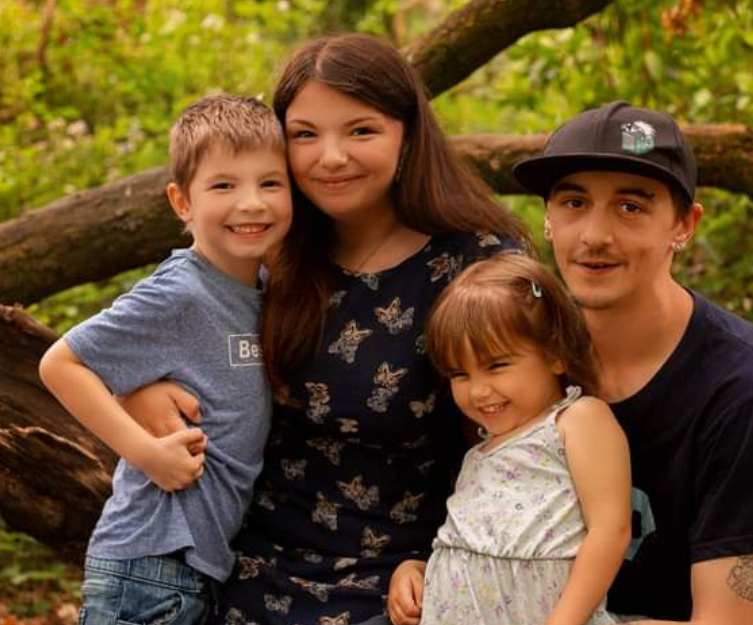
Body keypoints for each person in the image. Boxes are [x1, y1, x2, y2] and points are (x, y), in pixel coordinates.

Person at [120, 33, 530, 625]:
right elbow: (150, 336)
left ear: (408, 133)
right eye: (305, 135)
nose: (330, 157)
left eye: (360, 131)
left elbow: (525, 440)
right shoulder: (264, 246)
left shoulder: (476, 265)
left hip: (403, 579)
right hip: (238, 568)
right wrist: (140, 390)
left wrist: (444, 558)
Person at [390, 102, 753, 625]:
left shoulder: (749, 394)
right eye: (574, 202)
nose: (595, 235)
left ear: (684, 224)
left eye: (631, 206)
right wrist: (432, 572)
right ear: (548, 219)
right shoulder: (514, 364)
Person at [39, 94, 293, 625]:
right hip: (149, 569)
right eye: (223, 186)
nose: (251, 203)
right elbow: (61, 365)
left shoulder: (263, 288)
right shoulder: (180, 293)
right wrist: (147, 453)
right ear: (182, 202)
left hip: (198, 569)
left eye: (270, 183)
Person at [417, 253, 631, 625]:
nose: (478, 390)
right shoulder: (479, 451)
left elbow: (610, 531)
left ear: (556, 354)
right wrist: (416, 572)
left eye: (497, 365)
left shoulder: (577, 420)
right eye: (459, 374)